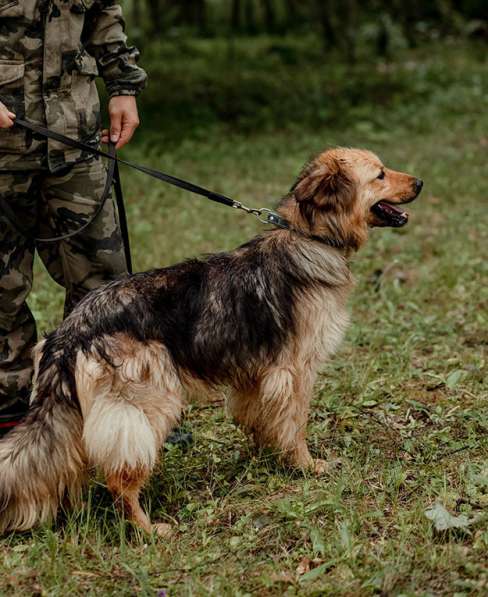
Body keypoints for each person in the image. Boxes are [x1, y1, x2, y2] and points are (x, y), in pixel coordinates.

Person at [0, 0, 147, 436]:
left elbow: (102, 11)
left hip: (73, 140)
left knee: (106, 283)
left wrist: (123, 86)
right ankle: (10, 413)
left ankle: (112, 404)